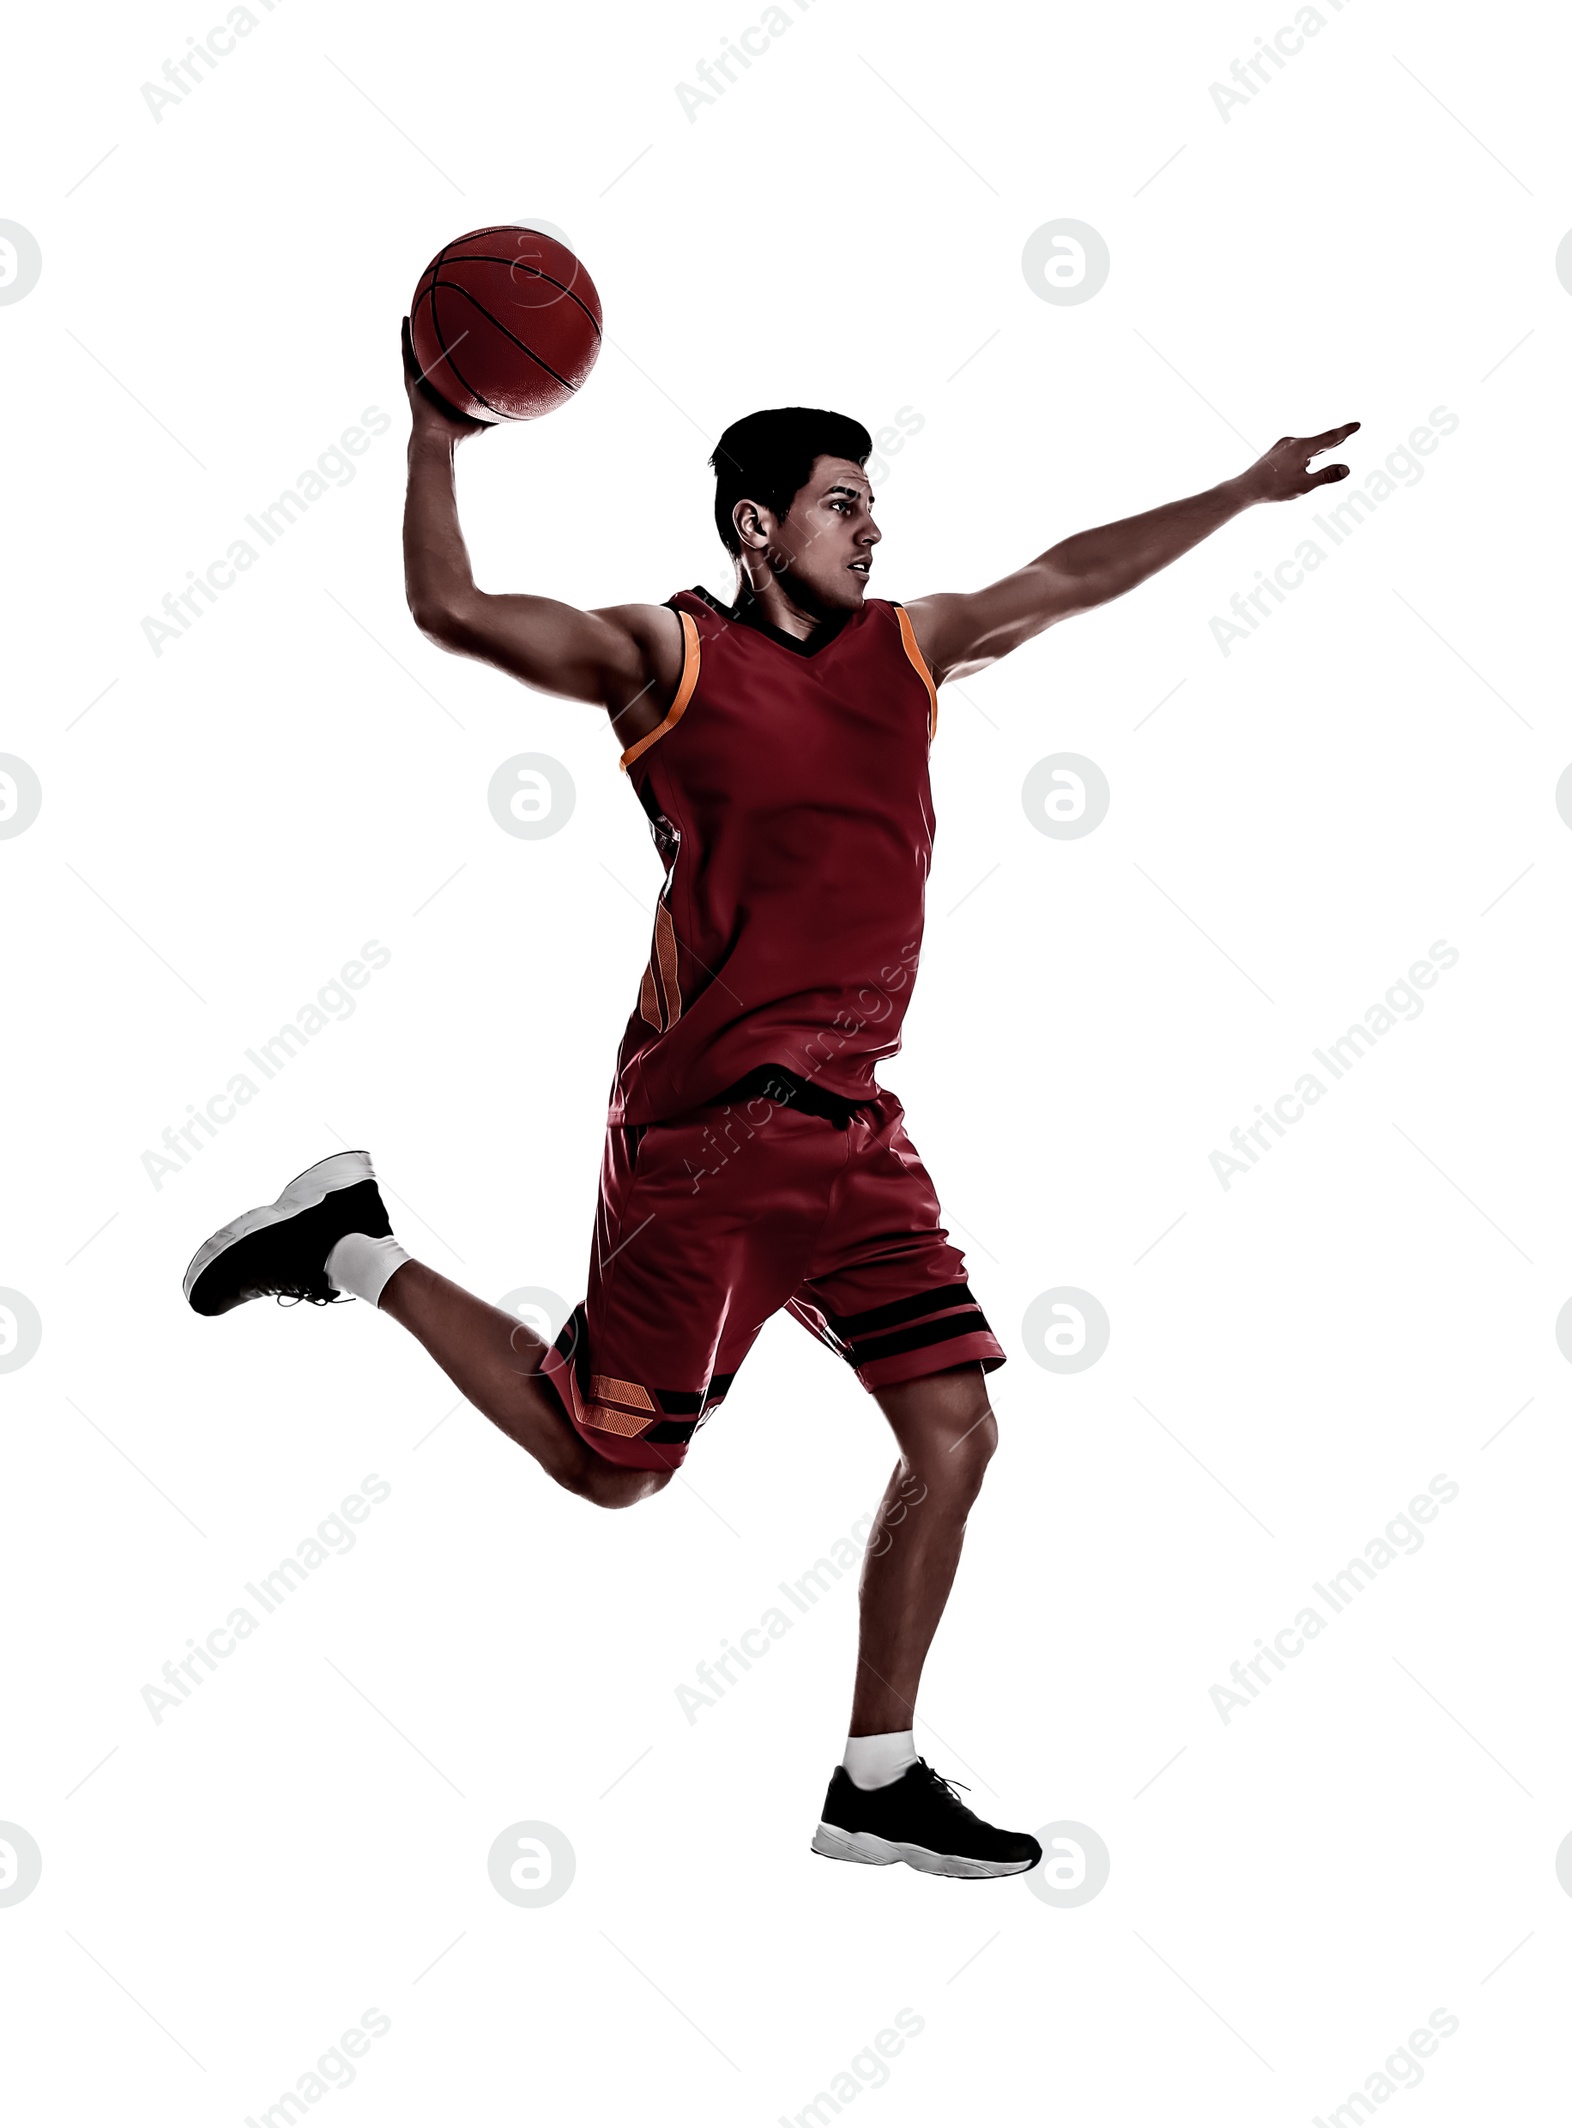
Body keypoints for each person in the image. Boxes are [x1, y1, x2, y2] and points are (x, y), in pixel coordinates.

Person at [184, 325, 1356, 1877]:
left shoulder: (910, 650)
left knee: (956, 1431)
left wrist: (1244, 487)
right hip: (712, 1138)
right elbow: (451, 610)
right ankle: (349, 1243)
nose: (874, 528)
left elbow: (1067, 576)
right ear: (758, 526)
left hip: (861, 1132)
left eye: (874, 504)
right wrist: (437, 438)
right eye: (843, 504)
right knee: (613, 1468)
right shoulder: (666, 662)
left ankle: (877, 1775)